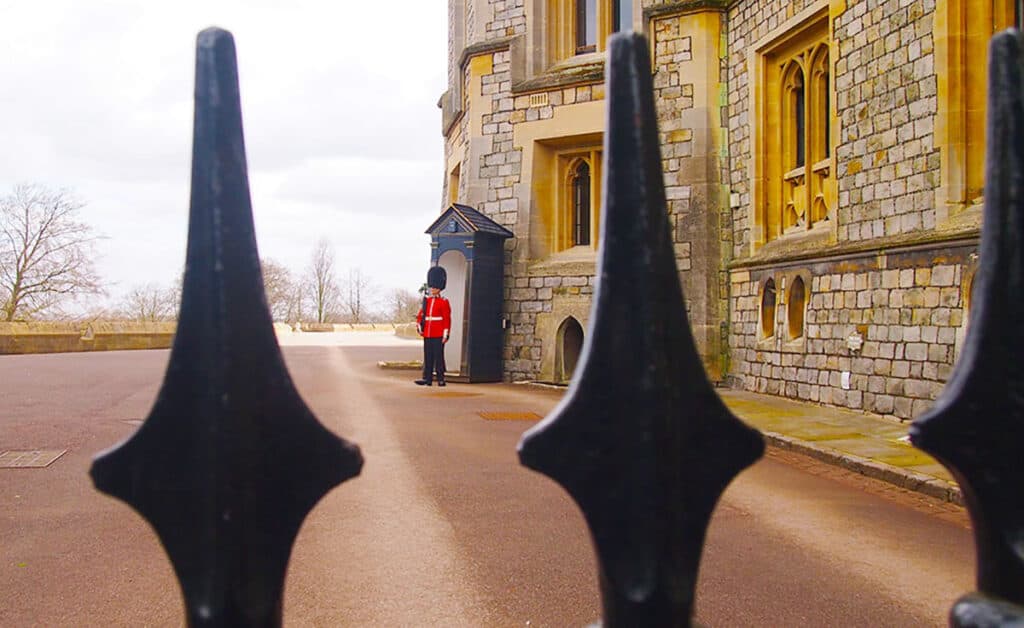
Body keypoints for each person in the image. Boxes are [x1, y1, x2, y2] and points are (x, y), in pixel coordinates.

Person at [415, 265, 451, 387]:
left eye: (434, 287)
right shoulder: (427, 301)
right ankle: (427, 378)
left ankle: (441, 378)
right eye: (432, 287)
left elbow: (446, 319)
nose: (432, 289)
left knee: (438, 357)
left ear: (439, 288)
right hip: (428, 333)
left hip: (438, 333)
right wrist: (420, 325)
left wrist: (445, 333)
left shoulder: (444, 302)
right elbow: (421, 315)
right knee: (428, 356)